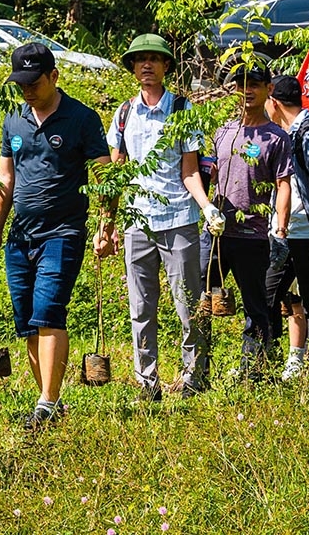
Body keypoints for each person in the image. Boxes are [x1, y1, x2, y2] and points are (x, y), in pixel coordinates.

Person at [0, 43, 110, 428]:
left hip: (64, 231)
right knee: (28, 321)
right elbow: (5, 177)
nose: (27, 91)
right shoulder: (14, 121)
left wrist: (106, 225)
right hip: (20, 236)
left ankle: (48, 402)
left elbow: (103, 173)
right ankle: (46, 402)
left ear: (54, 77)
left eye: (34, 83)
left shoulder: (82, 118)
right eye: (21, 84)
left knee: (50, 310)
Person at [106, 34, 222, 401]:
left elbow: (189, 172)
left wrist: (206, 206)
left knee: (187, 303)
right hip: (136, 222)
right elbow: (116, 176)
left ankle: (194, 376)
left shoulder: (182, 110)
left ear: (167, 65)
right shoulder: (124, 114)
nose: (147, 66)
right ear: (133, 67)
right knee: (141, 306)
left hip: (178, 218)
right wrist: (105, 224)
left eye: (154, 60)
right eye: (140, 60)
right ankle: (147, 381)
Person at [206, 60, 292, 379]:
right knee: (203, 300)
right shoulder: (223, 132)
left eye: (254, 84)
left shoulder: (276, 138)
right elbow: (210, 173)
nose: (247, 91)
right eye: (241, 84)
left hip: (253, 234)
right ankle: (198, 369)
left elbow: (284, 184)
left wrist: (279, 229)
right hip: (216, 233)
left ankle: (253, 369)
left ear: (268, 90)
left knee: (256, 307)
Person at [263, 75, 309, 380]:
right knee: (267, 297)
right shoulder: (286, 133)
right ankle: (265, 363)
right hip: (285, 234)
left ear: (275, 103)